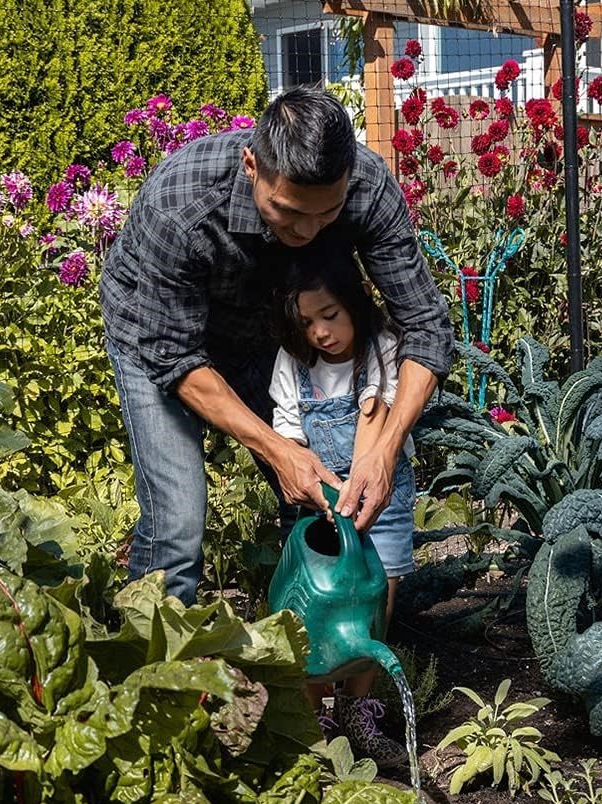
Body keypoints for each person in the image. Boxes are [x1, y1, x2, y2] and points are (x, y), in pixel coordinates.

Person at [100, 87, 453, 605]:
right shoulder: (181, 203)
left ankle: (311, 654)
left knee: (321, 497)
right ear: (251, 165)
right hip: (159, 336)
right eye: (287, 211)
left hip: (272, 333)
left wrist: (384, 448)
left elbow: (426, 327)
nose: (308, 231)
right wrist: (276, 447)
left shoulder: (368, 188)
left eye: (326, 214)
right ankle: (154, 674)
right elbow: (174, 356)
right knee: (177, 525)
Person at [270, 252, 414, 767]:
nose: (321, 333)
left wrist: (358, 489)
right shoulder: (293, 361)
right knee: (310, 606)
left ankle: (357, 709)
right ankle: (316, 718)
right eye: (308, 322)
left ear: (353, 303)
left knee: (377, 599)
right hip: (319, 502)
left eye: (329, 315)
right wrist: (317, 487)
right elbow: (287, 428)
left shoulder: (381, 348)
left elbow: (377, 413)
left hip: (380, 495)